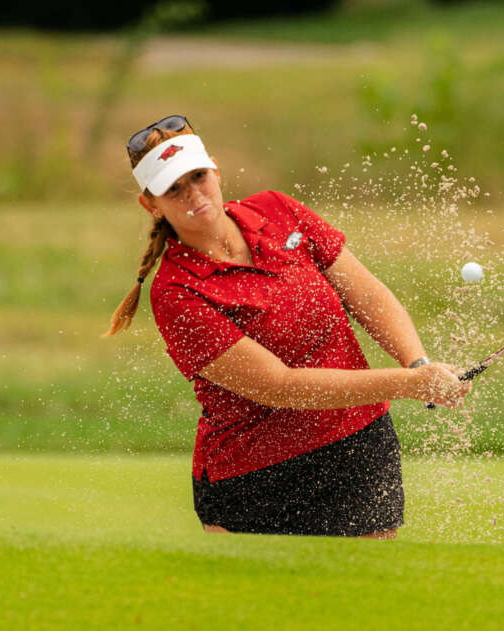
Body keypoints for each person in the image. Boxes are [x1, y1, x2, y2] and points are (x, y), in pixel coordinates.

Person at [105, 115, 471, 539]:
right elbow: (279, 385)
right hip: (257, 479)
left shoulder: (277, 211)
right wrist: (410, 383)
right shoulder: (176, 292)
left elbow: (367, 296)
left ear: (216, 170)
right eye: (174, 189)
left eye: (198, 176)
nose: (194, 194)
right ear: (150, 205)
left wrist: (418, 362)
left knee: (371, 599)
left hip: (359, 445)